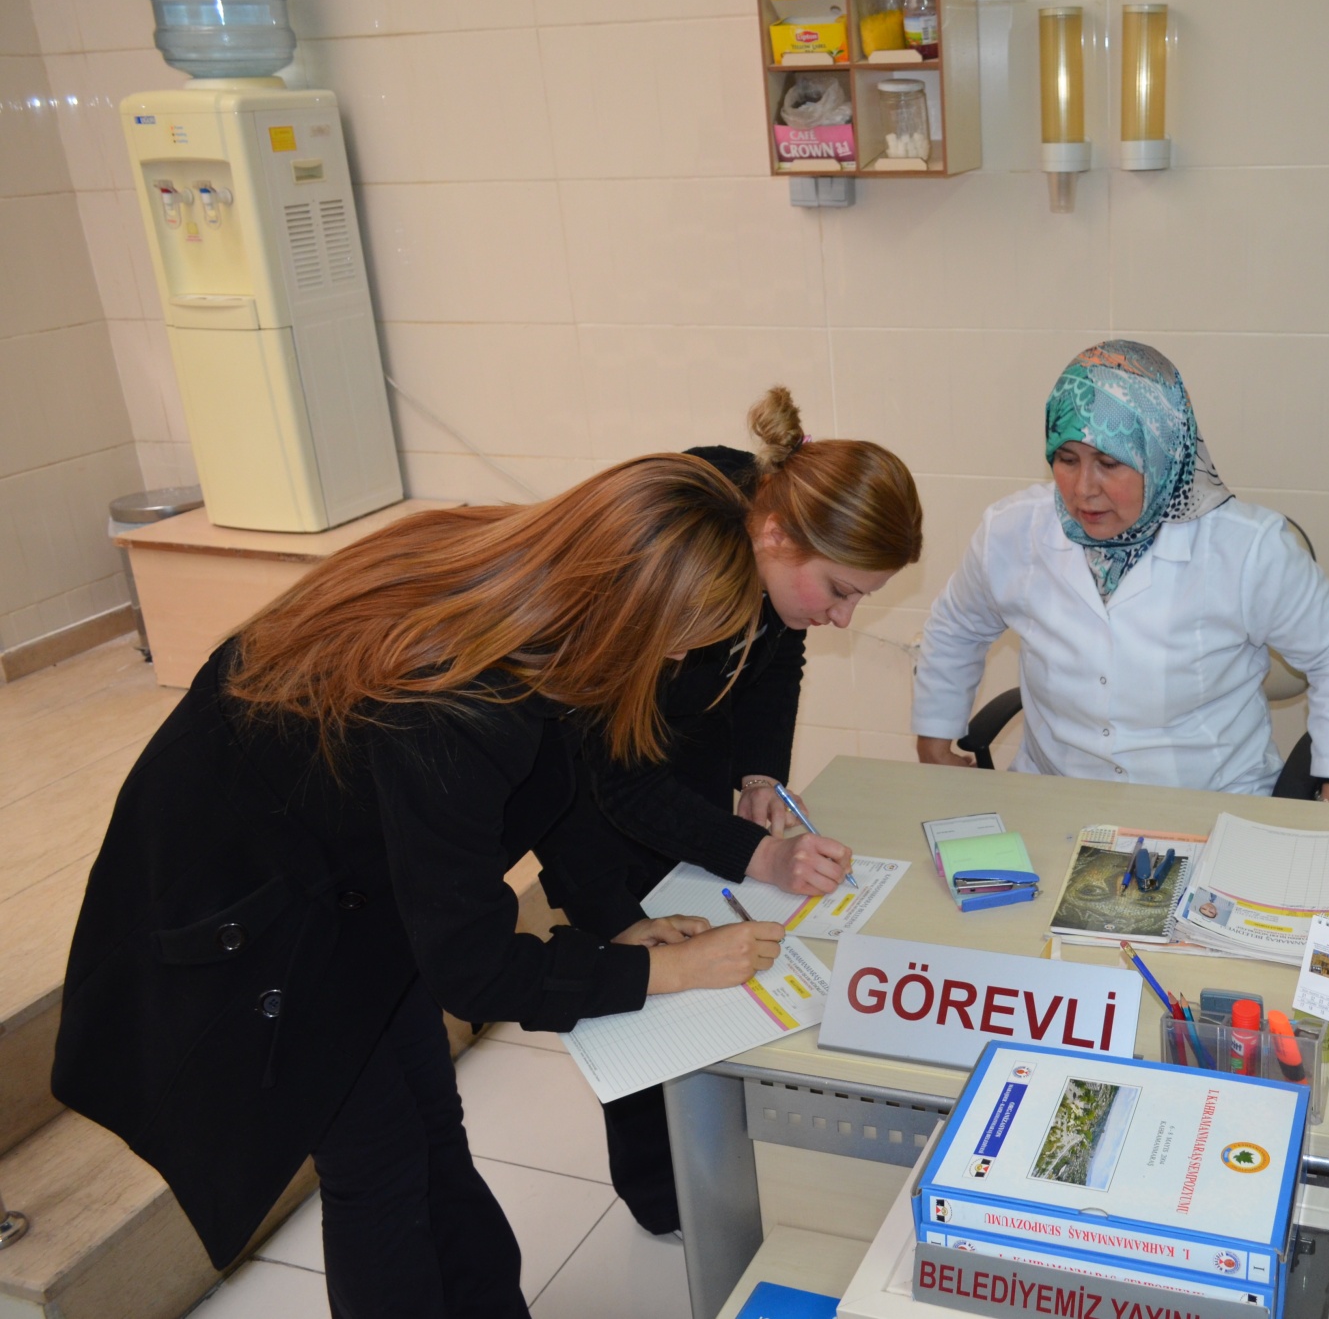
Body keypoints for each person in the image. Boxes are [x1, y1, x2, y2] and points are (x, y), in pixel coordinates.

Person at [51, 455, 785, 1319]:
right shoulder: (460, 696)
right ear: (629, 604)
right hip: (251, 908)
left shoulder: (537, 590)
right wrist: (665, 971)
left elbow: (563, 776)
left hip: (345, 868)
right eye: (680, 635)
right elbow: (474, 968)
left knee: (429, 1122)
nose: (679, 656)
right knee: (378, 1165)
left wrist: (616, 920)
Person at [533, 386, 923, 1234]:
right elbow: (617, 782)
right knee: (637, 976)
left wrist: (758, 773)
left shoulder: (776, 521)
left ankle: (712, 1152)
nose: (844, 615)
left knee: (707, 956)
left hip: (680, 760)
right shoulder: (674, 550)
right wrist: (760, 855)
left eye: (860, 597)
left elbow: (782, 654)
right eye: (841, 589)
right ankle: (662, 1196)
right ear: (775, 535)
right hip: (583, 804)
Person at [912, 340, 1329, 799]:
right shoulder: (1012, 530)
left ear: (1161, 455)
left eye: (1109, 463)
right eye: (1067, 459)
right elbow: (957, 626)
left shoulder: (1247, 547)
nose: (1083, 489)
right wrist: (934, 739)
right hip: (1056, 796)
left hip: (1211, 803)